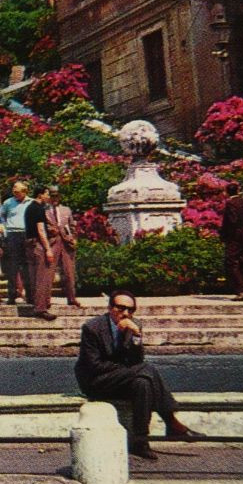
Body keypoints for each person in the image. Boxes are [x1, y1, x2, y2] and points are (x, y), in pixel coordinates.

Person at [75, 291, 201, 460]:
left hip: (123, 380)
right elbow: (94, 365)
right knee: (146, 370)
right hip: (96, 382)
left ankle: (141, 441)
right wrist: (125, 369)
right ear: (110, 308)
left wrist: (136, 336)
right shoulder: (92, 328)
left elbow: (136, 360)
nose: (126, 313)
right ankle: (171, 422)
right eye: (121, 308)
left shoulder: (134, 325)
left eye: (131, 310)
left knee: (143, 382)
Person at [220, 180, 243, 301]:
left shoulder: (231, 204)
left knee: (231, 261)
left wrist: (224, 235)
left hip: (235, 236)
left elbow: (231, 222)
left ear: (226, 192)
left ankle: (241, 289)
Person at [22, 185, 56, 320]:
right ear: (40, 195)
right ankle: (41, 308)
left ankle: (35, 302)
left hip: (29, 244)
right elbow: (41, 230)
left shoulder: (29, 208)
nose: (48, 197)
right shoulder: (38, 209)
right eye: (47, 194)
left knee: (33, 276)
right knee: (42, 276)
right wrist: (48, 249)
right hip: (37, 244)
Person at [0, 181, 32, 304]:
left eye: (18, 192)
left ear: (25, 191)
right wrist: (4, 228)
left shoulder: (31, 202)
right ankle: (12, 295)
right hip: (12, 234)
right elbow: (1, 216)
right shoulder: (8, 202)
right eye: (14, 192)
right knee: (12, 266)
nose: (15, 194)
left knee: (27, 266)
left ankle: (29, 295)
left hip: (26, 234)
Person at [46, 186, 79, 306]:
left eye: (57, 195)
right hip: (52, 242)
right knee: (49, 272)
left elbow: (72, 226)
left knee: (69, 272)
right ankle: (46, 299)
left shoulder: (66, 210)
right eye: (52, 196)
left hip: (66, 243)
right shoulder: (44, 210)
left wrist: (74, 239)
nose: (55, 198)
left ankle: (72, 297)